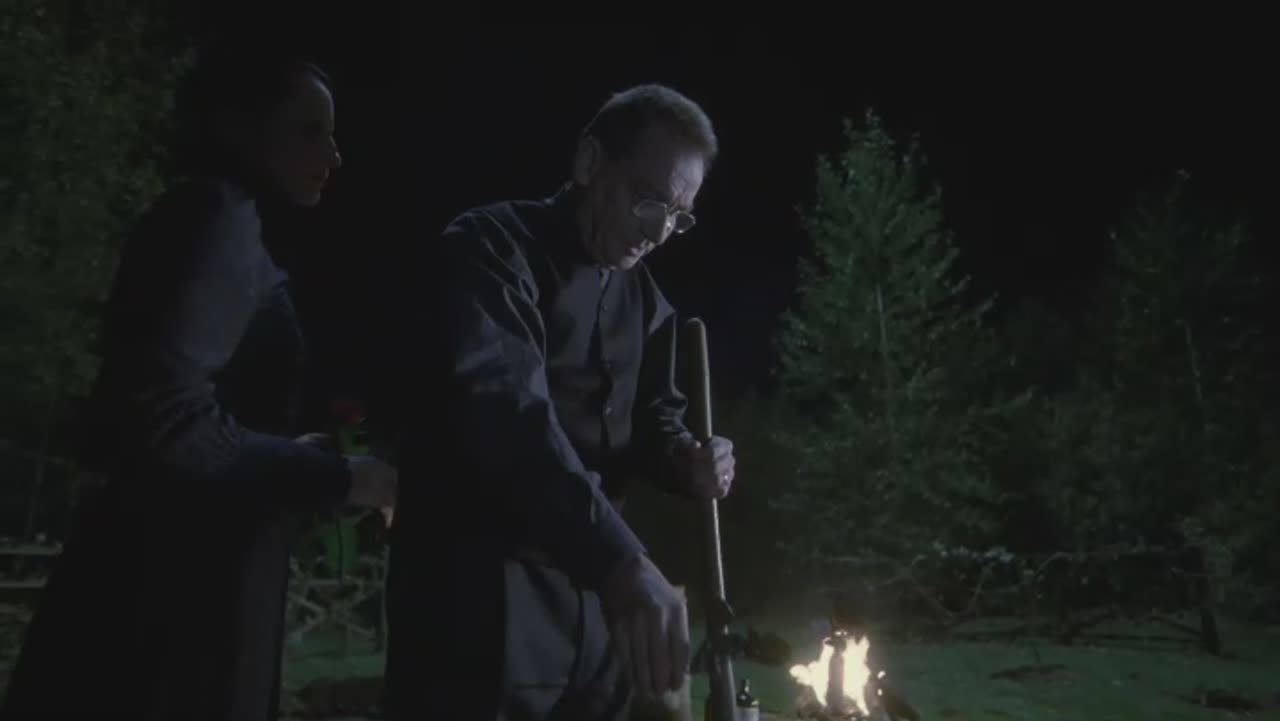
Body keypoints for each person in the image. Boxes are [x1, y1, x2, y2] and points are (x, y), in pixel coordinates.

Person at [0, 46, 398, 721]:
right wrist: (346, 477)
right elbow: (167, 417)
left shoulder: (221, 222)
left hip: (187, 583)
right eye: (309, 131)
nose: (333, 155)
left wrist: (289, 456)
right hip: (173, 600)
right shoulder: (218, 215)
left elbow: (197, 416)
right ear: (241, 127)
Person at [385, 84, 736, 720]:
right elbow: (508, 417)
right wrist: (622, 562)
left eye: (678, 216)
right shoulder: (491, 249)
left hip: (598, 611)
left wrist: (688, 458)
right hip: (481, 592)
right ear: (589, 162)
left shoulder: (648, 304)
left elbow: (654, 422)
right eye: (648, 200)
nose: (659, 232)